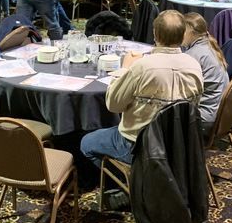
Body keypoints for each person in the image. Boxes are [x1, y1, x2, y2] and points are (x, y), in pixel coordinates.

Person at [80, 10, 203, 170]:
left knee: (86, 143)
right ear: (182, 35)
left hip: (139, 145)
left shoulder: (142, 67)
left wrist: (124, 68)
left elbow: (113, 105)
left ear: (155, 34)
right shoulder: (194, 65)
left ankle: (127, 183)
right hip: (180, 143)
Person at [182, 12, 229, 134]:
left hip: (204, 118)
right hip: (219, 113)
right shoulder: (210, 45)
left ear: (190, 32)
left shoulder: (194, 55)